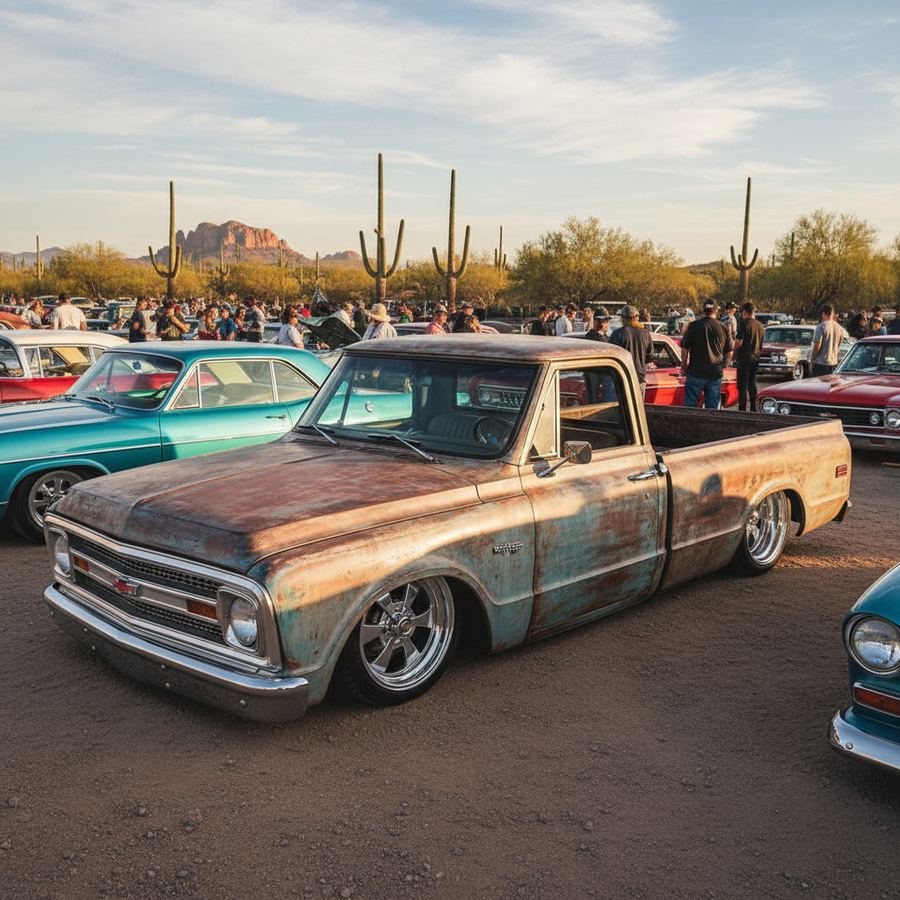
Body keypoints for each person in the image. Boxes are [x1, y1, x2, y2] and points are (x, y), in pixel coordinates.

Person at [680, 301, 733, 409]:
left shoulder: (693, 326)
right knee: (712, 407)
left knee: (690, 406)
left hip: (695, 372)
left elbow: (684, 348)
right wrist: (724, 365)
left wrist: (683, 366)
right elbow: (730, 351)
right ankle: (709, 425)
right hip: (714, 373)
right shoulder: (723, 327)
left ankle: (689, 425)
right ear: (716, 311)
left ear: (703, 310)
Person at [609, 306, 652, 396]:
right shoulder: (645, 333)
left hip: (621, 377)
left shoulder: (617, 334)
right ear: (637, 318)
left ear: (623, 318)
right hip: (639, 377)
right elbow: (649, 356)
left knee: (620, 408)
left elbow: (611, 357)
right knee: (638, 408)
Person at [732, 301, 765, 412]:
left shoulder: (743, 323)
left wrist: (734, 354)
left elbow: (738, 342)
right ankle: (753, 408)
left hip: (744, 358)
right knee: (752, 384)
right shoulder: (760, 326)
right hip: (755, 358)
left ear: (745, 312)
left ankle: (742, 409)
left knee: (742, 386)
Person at [810, 305, 844, 376]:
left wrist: (812, 359)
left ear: (823, 314)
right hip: (834, 363)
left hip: (821, 364)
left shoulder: (821, 326)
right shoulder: (839, 328)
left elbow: (817, 345)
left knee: (818, 386)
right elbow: (839, 344)